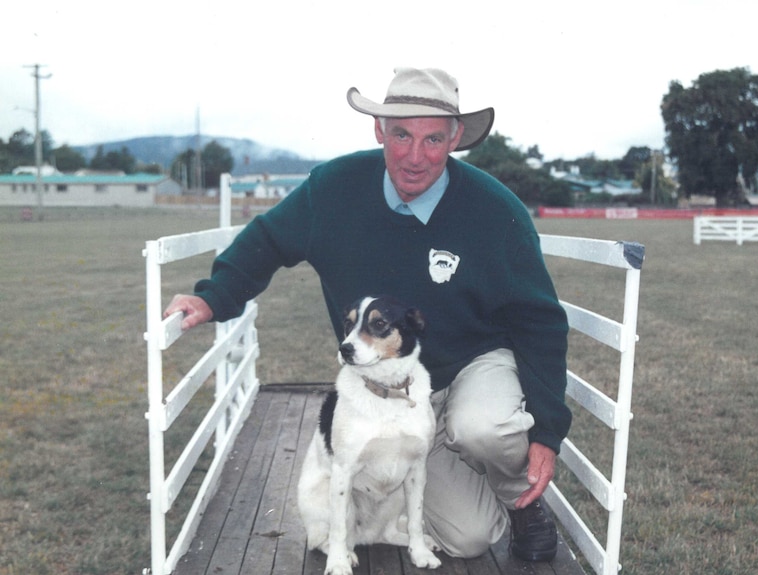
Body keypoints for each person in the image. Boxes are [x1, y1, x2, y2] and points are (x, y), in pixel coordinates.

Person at [165, 67, 571, 562]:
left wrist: (547, 432)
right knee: (469, 539)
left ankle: (522, 504)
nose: (415, 157)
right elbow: (268, 239)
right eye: (401, 135)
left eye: (433, 140)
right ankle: (448, 477)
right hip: (391, 390)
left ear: (456, 138)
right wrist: (213, 297)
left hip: (471, 364)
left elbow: (541, 321)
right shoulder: (334, 188)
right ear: (379, 130)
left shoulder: (494, 210)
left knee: (482, 427)